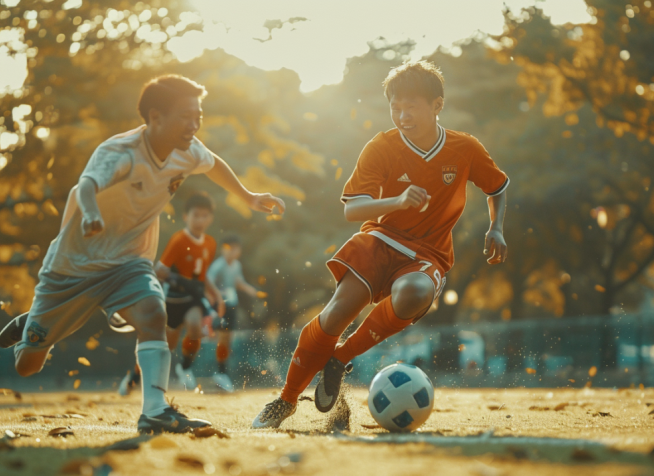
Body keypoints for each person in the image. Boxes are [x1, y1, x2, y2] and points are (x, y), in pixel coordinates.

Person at [0, 74, 285, 435]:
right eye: (185, 116)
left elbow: (213, 164)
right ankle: (31, 325)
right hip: (73, 267)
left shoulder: (187, 149)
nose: (194, 125)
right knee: (27, 366)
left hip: (129, 261)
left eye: (199, 116)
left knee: (152, 312)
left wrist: (249, 196)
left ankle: (155, 411)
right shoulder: (121, 152)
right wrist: (91, 214)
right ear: (155, 117)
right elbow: (86, 185)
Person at [252, 61, 509, 429]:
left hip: (427, 254)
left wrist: (496, 228)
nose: (401, 116)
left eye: (411, 106)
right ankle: (285, 401)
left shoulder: (464, 148)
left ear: (437, 105)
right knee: (336, 314)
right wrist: (398, 201)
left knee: (416, 291)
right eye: (395, 107)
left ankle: (339, 358)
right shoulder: (382, 146)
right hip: (379, 240)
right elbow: (352, 210)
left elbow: (498, 187)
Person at [118, 191, 224, 396]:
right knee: (163, 347)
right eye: (196, 215)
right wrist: (181, 282)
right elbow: (159, 270)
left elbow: (202, 275)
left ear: (210, 217)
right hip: (173, 299)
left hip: (192, 300)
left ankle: (184, 367)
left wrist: (216, 296)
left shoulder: (210, 243)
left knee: (195, 326)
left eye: (204, 216)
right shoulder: (179, 239)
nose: (200, 220)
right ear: (186, 216)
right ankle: (135, 376)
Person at [206, 235, 259, 391]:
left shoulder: (236, 265)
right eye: (229, 248)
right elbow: (207, 282)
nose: (232, 251)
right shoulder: (218, 265)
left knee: (228, 339)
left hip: (232, 305)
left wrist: (251, 290)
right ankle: (221, 373)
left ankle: (222, 373)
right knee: (222, 338)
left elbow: (238, 282)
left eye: (235, 248)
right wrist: (211, 306)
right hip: (220, 305)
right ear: (223, 249)